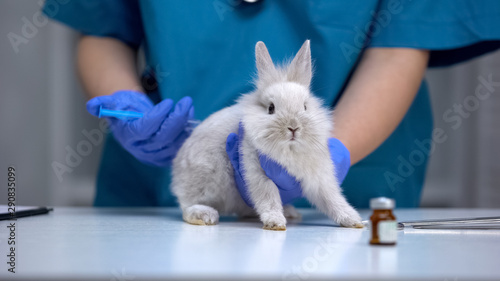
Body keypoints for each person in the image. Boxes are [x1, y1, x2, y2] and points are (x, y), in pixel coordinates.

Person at [44, 0, 500, 208]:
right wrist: (127, 104)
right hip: (155, 193)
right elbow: (102, 25)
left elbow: (400, 47)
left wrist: (327, 155)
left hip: (362, 169)